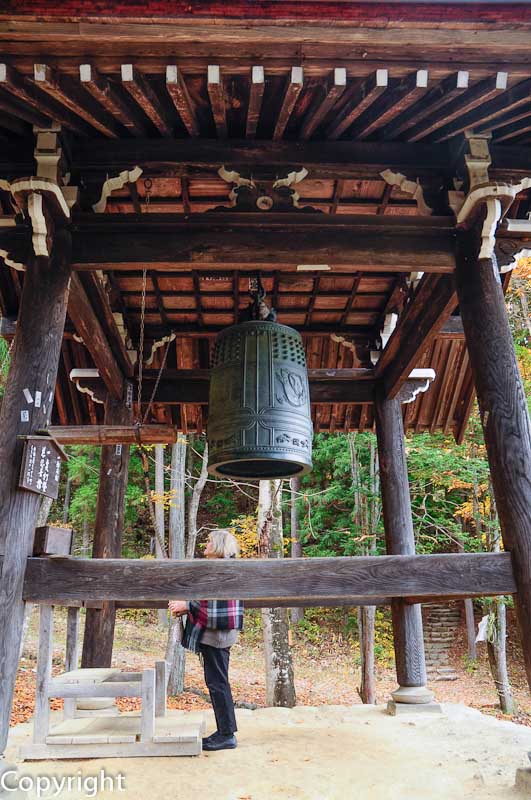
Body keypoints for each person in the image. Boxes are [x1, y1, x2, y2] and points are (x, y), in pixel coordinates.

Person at [169, 528, 243, 752]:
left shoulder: (222, 570)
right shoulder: (224, 568)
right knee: (217, 682)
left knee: (218, 683)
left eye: (209, 542)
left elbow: (217, 608)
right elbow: (210, 601)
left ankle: (226, 734)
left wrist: (186, 605)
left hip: (216, 636)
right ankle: (225, 732)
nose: (205, 546)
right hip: (215, 635)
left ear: (219, 546)